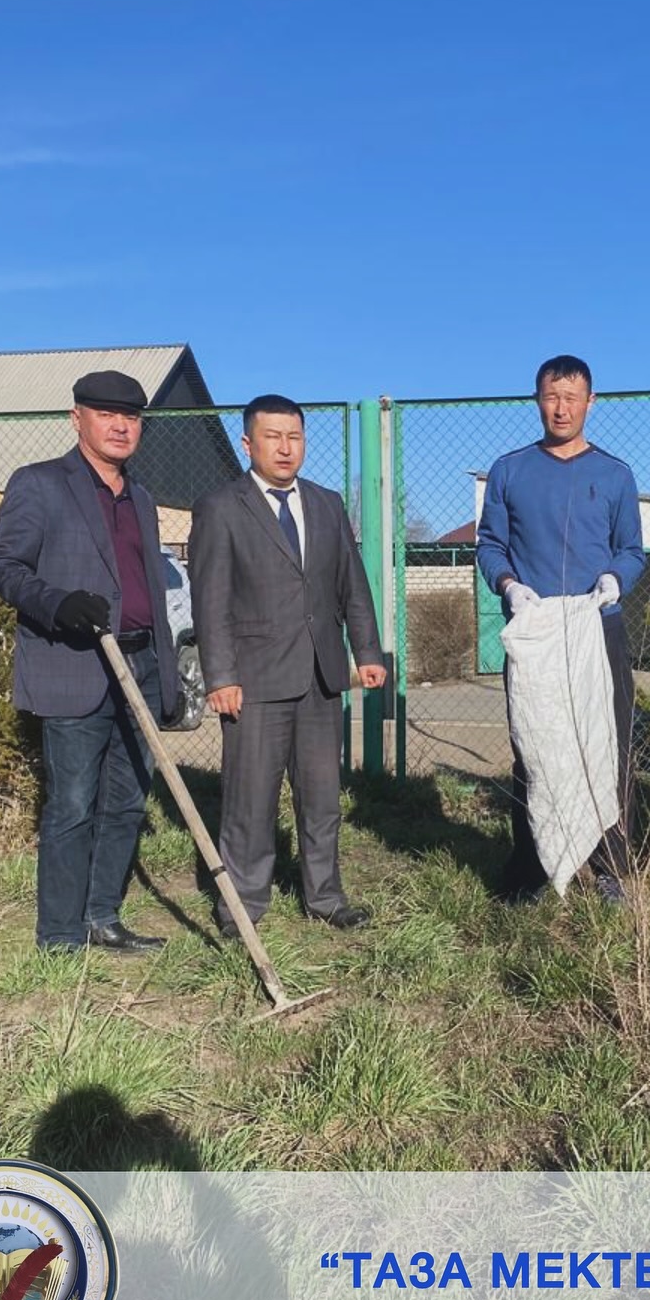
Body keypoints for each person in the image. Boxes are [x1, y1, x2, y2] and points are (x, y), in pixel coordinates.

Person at [0, 370, 179, 954]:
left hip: (141, 665)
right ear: (78, 419)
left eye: (131, 417)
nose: (121, 426)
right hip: (77, 666)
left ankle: (101, 918)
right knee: (72, 805)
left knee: (126, 802)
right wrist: (58, 603)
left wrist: (168, 671)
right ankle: (60, 935)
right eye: (106, 414)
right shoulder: (41, 484)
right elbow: (2, 567)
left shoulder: (142, 498)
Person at [188, 394, 386, 936]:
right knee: (250, 801)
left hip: (321, 676)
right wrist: (220, 676)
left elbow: (352, 585)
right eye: (272, 437)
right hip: (253, 681)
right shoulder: (221, 507)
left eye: (294, 437)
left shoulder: (326, 503)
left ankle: (325, 897)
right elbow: (210, 600)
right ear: (247, 444)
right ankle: (242, 908)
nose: (285, 447)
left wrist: (367, 652)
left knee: (322, 797)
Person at [476, 354, 646, 903]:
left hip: (599, 629)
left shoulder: (615, 474)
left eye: (572, 398)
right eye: (551, 397)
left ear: (591, 402)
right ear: (537, 399)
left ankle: (611, 868)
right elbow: (491, 545)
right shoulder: (510, 470)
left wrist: (615, 580)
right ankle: (530, 870)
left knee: (609, 747)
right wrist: (508, 585)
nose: (561, 408)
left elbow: (631, 550)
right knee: (534, 746)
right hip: (536, 634)